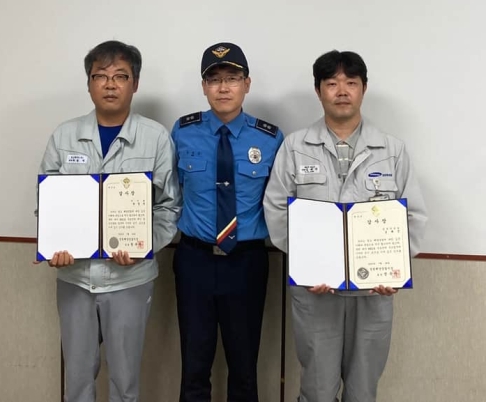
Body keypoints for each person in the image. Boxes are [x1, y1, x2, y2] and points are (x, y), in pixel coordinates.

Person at [263, 50, 427, 402]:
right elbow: (276, 208)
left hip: (373, 293)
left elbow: (413, 215)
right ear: (318, 90)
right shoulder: (295, 147)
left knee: (363, 390)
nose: (341, 91)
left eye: (351, 83)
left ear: (363, 89)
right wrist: (308, 263)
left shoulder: (392, 151)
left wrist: (395, 269)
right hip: (316, 292)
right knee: (317, 389)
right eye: (332, 83)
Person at [38, 40, 181, 402]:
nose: (110, 84)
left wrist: (143, 246)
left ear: (135, 83)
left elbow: (169, 207)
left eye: (121, 76)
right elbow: (48, 203)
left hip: (130, 278)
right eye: (100, 76)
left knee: (125, 381)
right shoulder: (64, 135)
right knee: (77, 380)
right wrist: (54, 246)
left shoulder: (155, 138)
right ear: (89, 84)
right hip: (75, 278)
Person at [170, 42, 284, 402]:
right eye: (214, 79)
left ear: (247, 84)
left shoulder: (270, 138)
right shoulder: (182, 132)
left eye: (232, 78)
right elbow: (170, 192)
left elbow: (280, 201)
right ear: (204, 86)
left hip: (246, 262)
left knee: (245, 368)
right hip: (194, 261)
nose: (223, 87)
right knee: (193, 367)